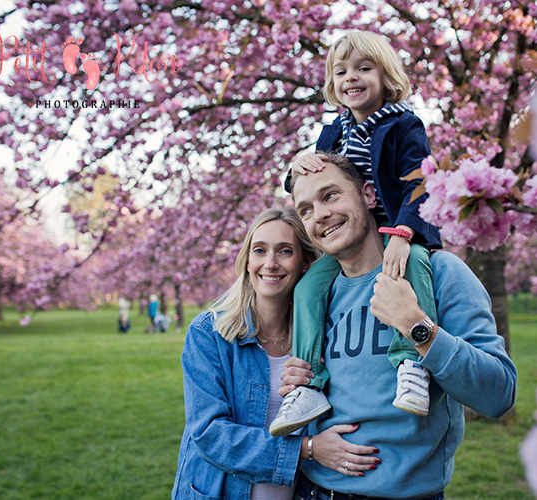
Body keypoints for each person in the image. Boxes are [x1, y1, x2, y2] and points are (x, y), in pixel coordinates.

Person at [282, 155, 517, 499]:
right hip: (313, 490)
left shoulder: (441, 273)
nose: (320, 215)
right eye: (305, 210)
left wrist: (417, 327)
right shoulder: (314, 296)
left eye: (330, 195)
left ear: (368, 195)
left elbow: (499, 394)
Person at [271, 30, 443, 437]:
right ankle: (311, 384)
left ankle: (411, 363)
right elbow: (301, 181)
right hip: (351, 234)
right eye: (341, 70)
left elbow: (419, 181)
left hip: (397, 226)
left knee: (412, 266)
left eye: (364, 68)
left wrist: (402, 234)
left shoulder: (404, 124)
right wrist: (299, 163)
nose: (352, 77)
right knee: (308, 288)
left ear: (386, 76)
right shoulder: (333, 132)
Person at [171, 207, 380, 500]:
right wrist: (308, 449)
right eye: (259, 250)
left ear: (306, 263)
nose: (270, 263)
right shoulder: (210, 333)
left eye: (284, 251)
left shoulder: (320, 338)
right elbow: (209, 434)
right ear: (246, 261)